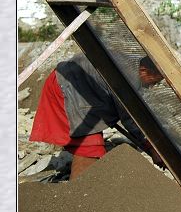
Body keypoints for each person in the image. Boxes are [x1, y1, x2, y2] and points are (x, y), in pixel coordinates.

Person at [29, 54, 165, 180]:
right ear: (144, 71)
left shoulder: (129, 64)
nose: (152, 86)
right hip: (65, 87)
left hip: (77, 88)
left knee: (90, 145)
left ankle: (83, 190)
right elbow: (130, 118)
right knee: (89, 148)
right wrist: (151, 148)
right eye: (154, 81)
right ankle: (79, 193)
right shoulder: (127, 78)